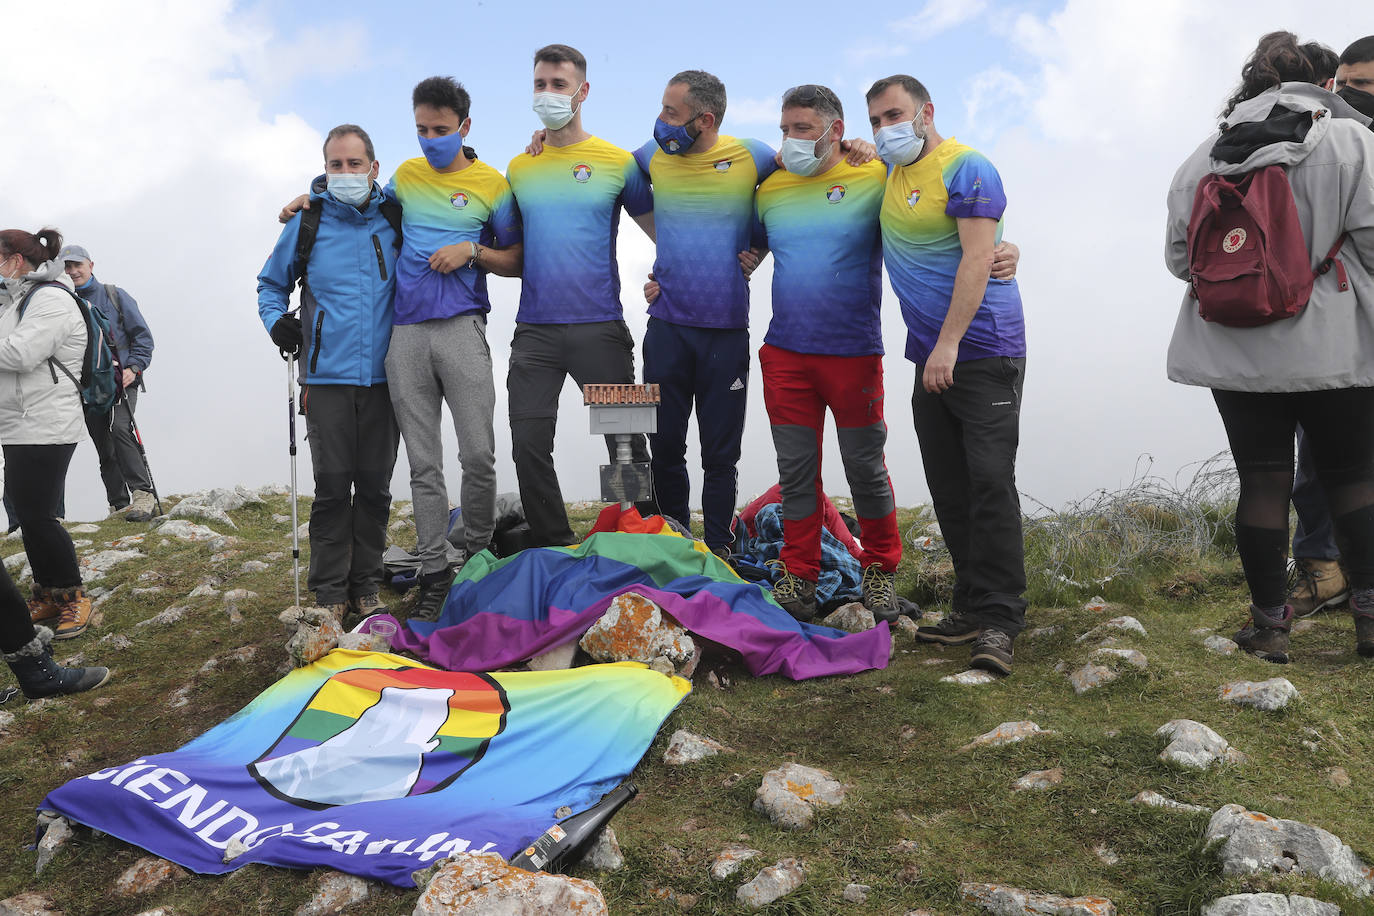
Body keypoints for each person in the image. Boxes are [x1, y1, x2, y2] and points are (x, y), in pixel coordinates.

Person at [1165, 31, 1374, 662]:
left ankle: (1270, 628)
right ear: (1325, 83)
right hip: (1336, 349)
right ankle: (1369, 623)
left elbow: (1182, 260)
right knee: (1355, 480)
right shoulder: (1352, 141)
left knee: (1261, 483)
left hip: (1236, 350)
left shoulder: (1204, 156)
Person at [867, 74, 1028, 675]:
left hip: (982, 350)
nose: (885, 129)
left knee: (989, 483)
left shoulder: (969, 166)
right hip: (931, 355)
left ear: (926, 111)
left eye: (895, 116)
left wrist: (950, 345)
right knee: (950, 484)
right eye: (876, 121)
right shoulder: (892, 173)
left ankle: (1001, 618)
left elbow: (981, 255)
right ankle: (970, 605)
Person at [752, 84, 901, 622]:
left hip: (854, 354)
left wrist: (1004, 245)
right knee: (796, 472)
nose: (790, 139)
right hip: (787, 356)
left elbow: (936, 207)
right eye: (785, 128)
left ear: (835, 130)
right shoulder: (769, 189)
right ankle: (800, 576)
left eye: (803, 128)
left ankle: (880, 571)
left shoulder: (876, 176)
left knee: (866, 468)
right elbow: (743, 253)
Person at [505, 44, 655, 547]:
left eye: (559, 85)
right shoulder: (519, 166)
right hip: (535, 333)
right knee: (527, 443)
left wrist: (733, 259)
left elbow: (663, 232)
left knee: (627, 443)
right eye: (540, 85)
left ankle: (633, 532)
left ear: (582, 91)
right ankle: (554, 543)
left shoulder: (618, 162)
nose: (548, 94)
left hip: (602, 329)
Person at [258, 124, 405, 621]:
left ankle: (365, 585)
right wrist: (277, 321)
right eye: (335, 165)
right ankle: (327, 590)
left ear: (373, 167)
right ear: (324, 169)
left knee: (376, 489)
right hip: (325, 379)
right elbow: (270, 284)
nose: (345, 172)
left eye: (354, 164)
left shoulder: (395, 216)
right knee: (332, 489)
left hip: (388, 380)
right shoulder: (307, 223)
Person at [1286, 35, 1374, 617]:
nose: (1352, 96)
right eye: (1346, 84)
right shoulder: (1330, 140)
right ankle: (1323, 568)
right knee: (1324, 452)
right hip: (1341, 323)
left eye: (1365, 86)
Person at [0, 228, 98, 640]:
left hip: (47, 422)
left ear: (16, 261)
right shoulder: (20, 299)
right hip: (21, 421)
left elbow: (21, 354)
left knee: (39, 513)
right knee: (26, 512)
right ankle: (48, 593)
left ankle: (74, 596)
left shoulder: (53, 300)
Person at [59, 245, 157, 521]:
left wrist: (134, 367)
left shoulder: (114, 295)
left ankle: (143, 494)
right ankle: (118, 504)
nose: (73, 271)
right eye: (67, 267)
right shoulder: (63, 301)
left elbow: (142, 337)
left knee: (119, 429)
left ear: (91, 265)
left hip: (123, 380)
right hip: (87, 386)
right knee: (103, 442)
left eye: (77, 265)